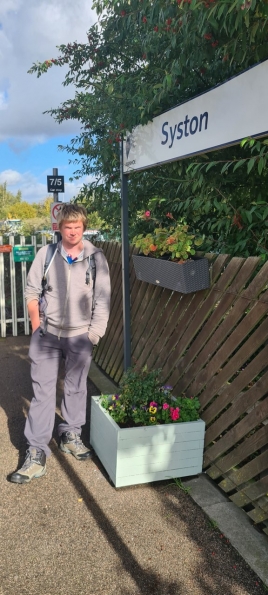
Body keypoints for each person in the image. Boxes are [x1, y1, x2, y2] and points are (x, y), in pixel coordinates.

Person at [11, 204, 111, 484]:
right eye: (68, 227)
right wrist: (35, 327)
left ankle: (70, 434)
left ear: (84, 226)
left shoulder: (96, 258)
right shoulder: (47, 254)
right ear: (59, 228)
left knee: (76, 387)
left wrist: (93, 335)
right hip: (47, 335)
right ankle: (36, 451)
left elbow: (103, 300)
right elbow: (31, 292)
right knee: (42, 392)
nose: (73, 232)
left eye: (78, 227)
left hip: (80, 336)